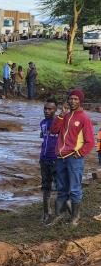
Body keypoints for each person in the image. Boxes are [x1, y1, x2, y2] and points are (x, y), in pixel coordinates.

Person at [49, 89, 94, 227]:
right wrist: (61, 115)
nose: (73, 101)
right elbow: (53, 130)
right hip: (61, 157)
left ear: (80, 101)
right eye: (71, 98)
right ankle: (59, 216)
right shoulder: (66, 116)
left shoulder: (84, 118)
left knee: (74, 188)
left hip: (74, 158)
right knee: (61, 188)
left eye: (76, 99)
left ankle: (75, 218)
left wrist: (79, 153)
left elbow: (90, 141)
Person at [39, 99, 59, 224]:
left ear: (55, 110)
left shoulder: (60, 123)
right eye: (45, 108)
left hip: (57, 159)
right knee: (46, 187)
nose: (47, 111)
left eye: (50, 109)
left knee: (60, 187)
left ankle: (60, 214)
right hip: (44, 159)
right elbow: (43, 136)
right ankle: (46, 213)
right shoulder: (42, 123)